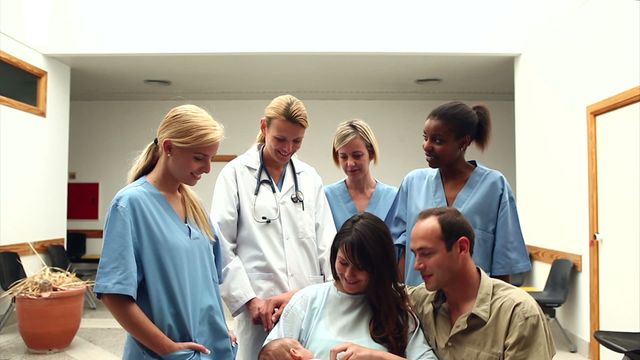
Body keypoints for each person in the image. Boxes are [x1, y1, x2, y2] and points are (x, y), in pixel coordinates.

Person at [94, 105, 236, 359]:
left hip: (211, 349)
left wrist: (219, 329)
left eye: (211, 159)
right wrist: (166, 348)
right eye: (199, 157)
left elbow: (207, 283)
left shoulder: (195, 206)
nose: (207, 168)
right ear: (169, 148)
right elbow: (113, 294)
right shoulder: (130, 205)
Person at [211, 94, 336, 360]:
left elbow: (327, 243)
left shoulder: (309, 178)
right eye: (280, 138)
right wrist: (249, 300)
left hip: (306, 304)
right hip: (259, 311)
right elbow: (221, 245)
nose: (288, 148)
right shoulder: (234, 175)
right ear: (264, 127)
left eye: (297, 141)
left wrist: (320, 295)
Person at [386, 101, 531, 285]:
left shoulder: (495, 187)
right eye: (425, 137)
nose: (427, 146)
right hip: (419, 304)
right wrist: (402, 300)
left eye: (438, 140)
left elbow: (503, 262)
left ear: (463, 142)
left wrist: (498, 310)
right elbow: (399, 250)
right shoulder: (413, 183)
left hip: (474, 306)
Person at [264, 213, 438, 360]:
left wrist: (376, 356)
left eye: (360, 267)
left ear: (379, 267)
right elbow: (271, 354)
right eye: (343, 263)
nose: (348, 275)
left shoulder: (396, 310)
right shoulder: (306, 302)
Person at [407, 207, 555, 360]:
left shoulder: (518, 314)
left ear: (462, 247)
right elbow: (384, 291)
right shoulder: (421, 301)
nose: (416, 265)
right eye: (415, 254)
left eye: (426, 253)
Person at [324, 119, 397, 230]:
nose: (350, 163)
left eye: (357, 155)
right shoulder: (327, 197)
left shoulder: (393, 198)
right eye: (343, 157)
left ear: (371, 153)